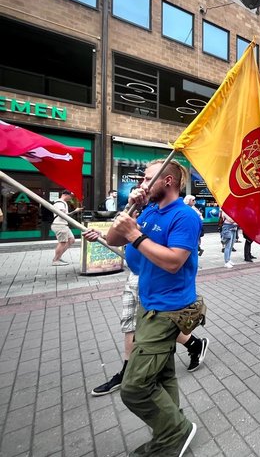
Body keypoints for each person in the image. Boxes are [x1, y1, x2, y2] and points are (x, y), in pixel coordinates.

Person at [103, 158, 201, 456]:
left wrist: (136, 234)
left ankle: (176, 432)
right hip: (149, 304)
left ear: (167, 181)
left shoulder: (185, 216)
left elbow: (173, 262)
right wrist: (131, 210)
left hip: (169, 309)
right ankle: (172, 429)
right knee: (162, 375)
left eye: (147, 179)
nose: (141, 185)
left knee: (133, 387)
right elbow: (111, 238)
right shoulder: (146, 211)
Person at [84, 226, 209, 397]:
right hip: (134, 277)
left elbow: (172, 258)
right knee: (131, 325)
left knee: (155, 324)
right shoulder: (143, 209)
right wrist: (103, 235)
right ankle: (129, 371)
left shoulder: (177, 215)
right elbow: (124, 238)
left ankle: (192, 345)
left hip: (153, 280)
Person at [50, 190, 83, 266]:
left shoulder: (63, 203)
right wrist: (75, 211)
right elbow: (64, 215)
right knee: (62, 243)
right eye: (70, 196)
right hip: (59, 225)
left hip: (63, 225)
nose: (71, 198)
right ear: (65, 195)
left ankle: (58, 256)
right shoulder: (59, 203)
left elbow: (65, 215)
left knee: (71, 240)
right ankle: (56, 260)